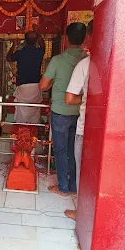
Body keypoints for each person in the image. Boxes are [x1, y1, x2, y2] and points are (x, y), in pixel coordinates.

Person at [39, 22, 88, 196]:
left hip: (60, 111)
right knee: (75, 150)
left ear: (66, 39)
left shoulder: (58, 60)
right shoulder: (87, 60)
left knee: (60, 150)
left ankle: (63, 187)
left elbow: (42, 86)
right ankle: (74, 186)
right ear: (84, 39)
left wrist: (55, 81)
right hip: (80, 113)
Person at [64, 20, 94, 220]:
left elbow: (69, 98)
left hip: (86, 128)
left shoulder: (85, 64)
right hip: (110, 131)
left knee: (83, 169)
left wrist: (86, 99)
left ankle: (82, 213)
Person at [6, 31, 45, 124]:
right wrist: (38, 34)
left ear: (25, 41)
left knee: (21, 110)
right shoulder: (39, 52)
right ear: (36, 41)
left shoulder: (20, 53)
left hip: (22, 86)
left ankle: (20, 130)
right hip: (36, 86)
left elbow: (8, 58)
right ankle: (34, 132)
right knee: (35, 110)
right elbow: (43, 45)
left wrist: (14, 45)